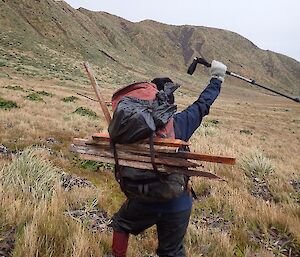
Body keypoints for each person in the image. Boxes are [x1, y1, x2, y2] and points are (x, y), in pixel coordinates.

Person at [110, 60, 227, 257]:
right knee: (171, 251)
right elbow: (203, 104)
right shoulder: (179, 124)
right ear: (168, 103)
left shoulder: (127, 128)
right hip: (176, 201)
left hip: (141, 198)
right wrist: (217, 78)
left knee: (121, 224)